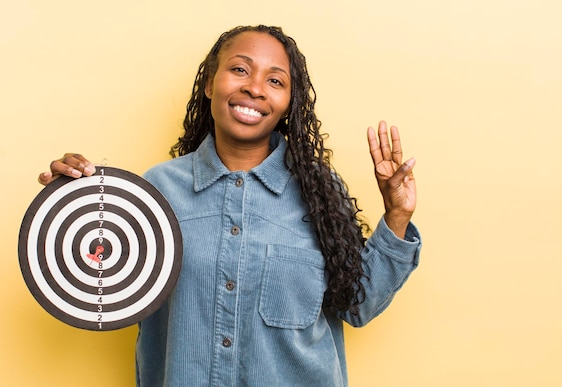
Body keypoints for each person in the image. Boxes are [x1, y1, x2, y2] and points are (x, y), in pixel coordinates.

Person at [38, 25, 421, 387]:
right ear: (209, 83)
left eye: (275, 80)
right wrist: (72, 203)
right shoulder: (156, 191)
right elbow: (96, 280)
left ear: (289, 103)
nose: (255, 88)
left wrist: (397, 215)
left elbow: (358, 306)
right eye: (240, 69)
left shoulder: (319, 193)